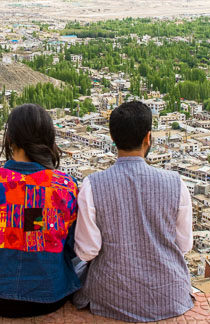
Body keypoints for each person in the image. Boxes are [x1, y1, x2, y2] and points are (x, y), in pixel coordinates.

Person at [73, 100, 193, 322]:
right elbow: (184, 246)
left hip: (110, 296)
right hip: (170, 296)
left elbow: (87, 252)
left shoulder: (92, 185)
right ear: (148, 137)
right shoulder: (177, 184)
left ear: (112, 138)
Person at [0, 103, 80, 318]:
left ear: (9, 139)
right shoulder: (65, 188)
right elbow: (72, 247)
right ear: (48, 139)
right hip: (50, 296)